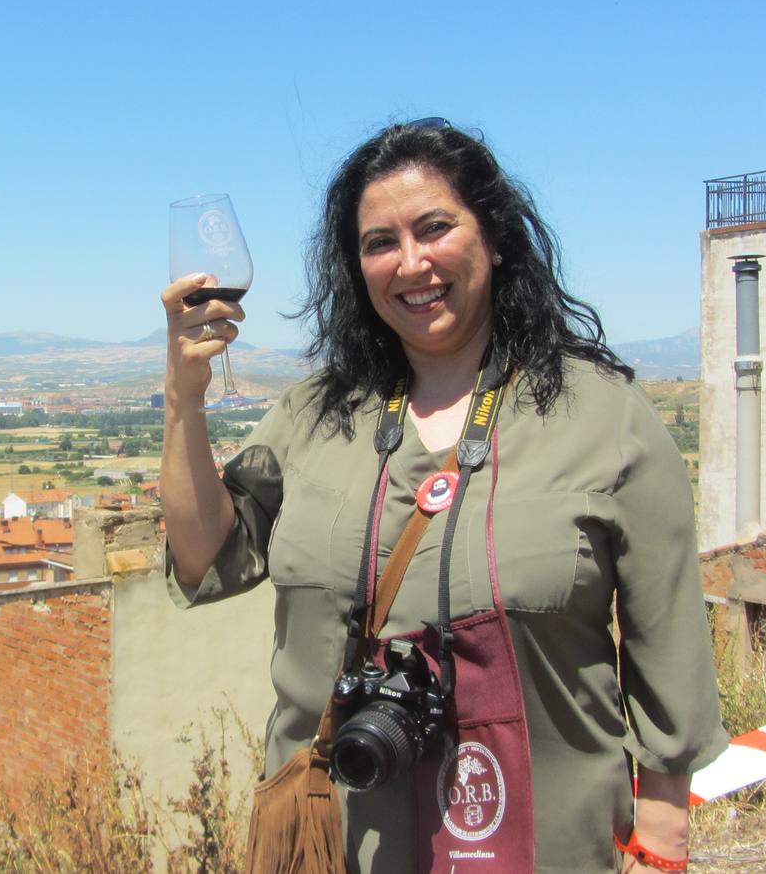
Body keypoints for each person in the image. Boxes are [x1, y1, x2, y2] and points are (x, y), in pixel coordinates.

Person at [159, 120, 727, 873]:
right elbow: (205, 560)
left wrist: (661, 833)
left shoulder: (602, 415)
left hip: (546, 843)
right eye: (379, 243)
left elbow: (666, 635)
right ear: (355, 268)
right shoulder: (315, 416)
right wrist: (182, 397)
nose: (411, 262)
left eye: (434, 228)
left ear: (493, 236)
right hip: (337, 836)